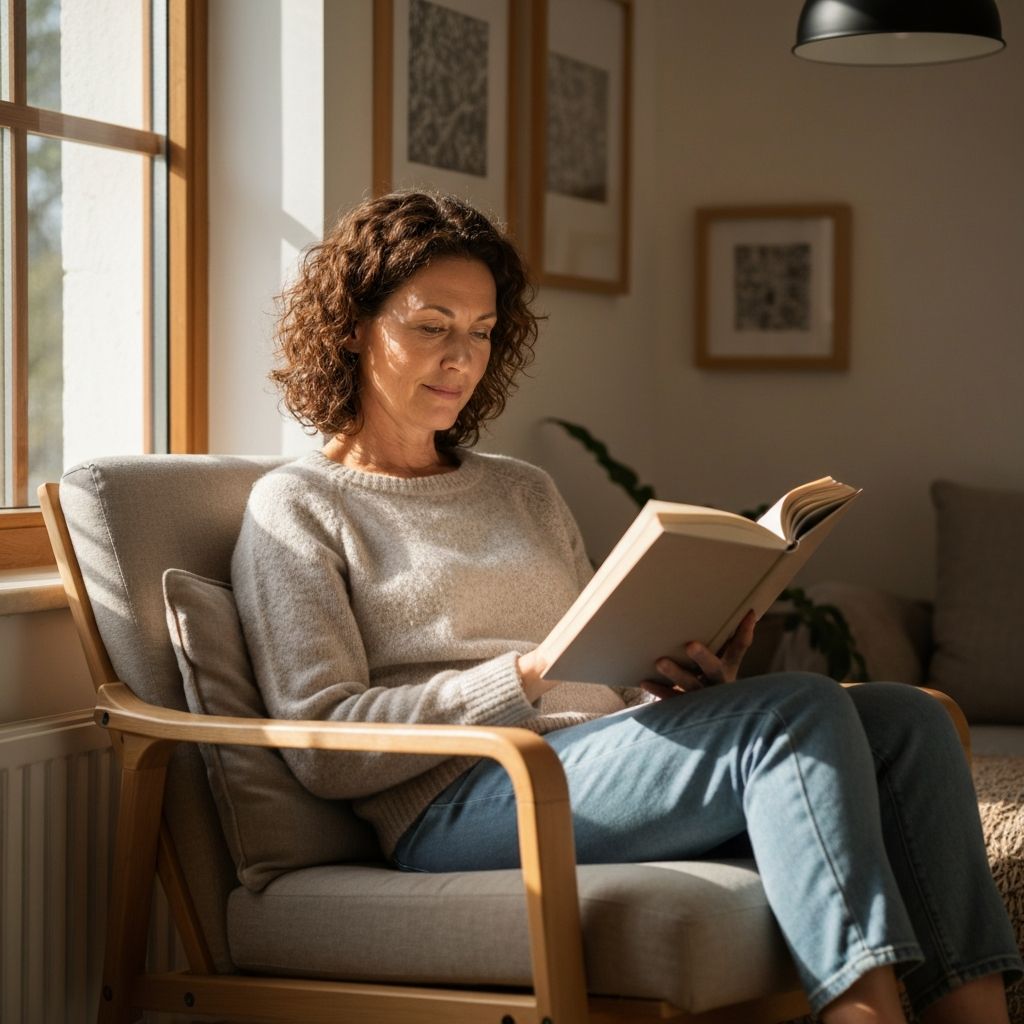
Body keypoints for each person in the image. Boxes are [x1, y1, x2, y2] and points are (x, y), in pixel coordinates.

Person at [231, 190, 1021, 1024]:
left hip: (593, 764)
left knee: (909, 721)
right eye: (431, 325)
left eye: (482, 330)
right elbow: (322, 741)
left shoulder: (522, 490)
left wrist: (673, 683)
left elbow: (596, 675)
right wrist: (521, 677)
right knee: (799, 709)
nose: (460, 356)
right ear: (354, 325)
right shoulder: (299, 507)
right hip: (465, 797)